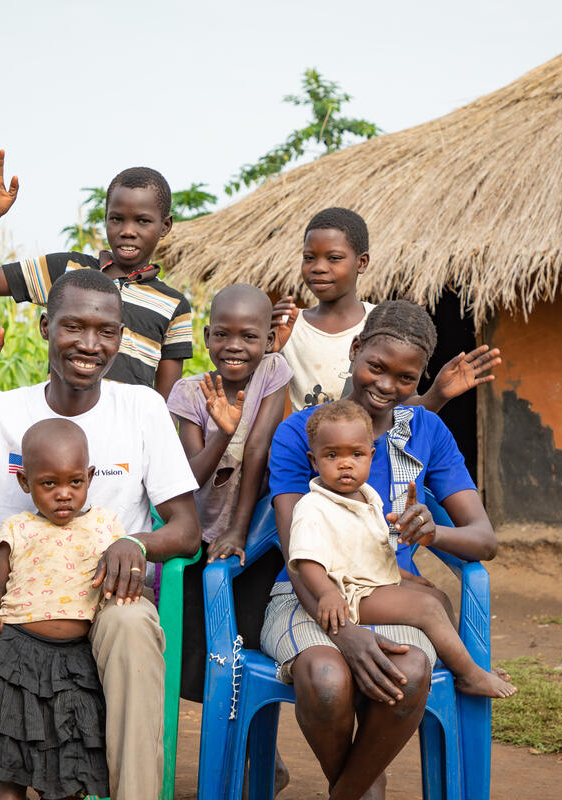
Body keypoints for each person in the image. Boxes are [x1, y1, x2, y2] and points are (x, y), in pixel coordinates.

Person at [0, 269, 200, 800]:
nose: (90, 344)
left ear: (121, 337)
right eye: (73, 326)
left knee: (132, 633)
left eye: (106, 331)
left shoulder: (141, 410)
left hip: (107, 593)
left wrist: (134, 543)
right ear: (46, 326)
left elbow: (187, 530)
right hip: (15, 599)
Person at [260, 300, 502, 800]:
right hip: (311, 595)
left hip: (387, 591)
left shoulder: (426, 431)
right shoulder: (301, 432)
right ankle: (364, 787)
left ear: (420, 379)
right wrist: (345, 633)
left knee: (409, 670)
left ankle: (348, 791)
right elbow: (295, 552)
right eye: (376, 367)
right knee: (326, 678)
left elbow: (484, 539)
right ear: (354, 350)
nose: (387, 386)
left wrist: (433, 531)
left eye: (406, 378)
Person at [0, 418, 123, 800]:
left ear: (89, 477)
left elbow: (122, 574)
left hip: (76, 664)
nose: (64, 494)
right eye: (49, 484)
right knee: (6, 770)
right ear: (25, 482)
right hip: (15, 659)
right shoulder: (18, 529)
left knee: (69, 770)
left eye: (75, 482)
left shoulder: (106, 526)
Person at [289, 399, 516, 699]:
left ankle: (462, 663)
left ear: (371, 456)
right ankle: (470, 675)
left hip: (372, 585)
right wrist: (327, 594)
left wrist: (403, 578)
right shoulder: (312, 506)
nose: (345, 464)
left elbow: (369, 552)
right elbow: (307, 560)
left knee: (438, 597)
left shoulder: (369, 499)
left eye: (356, 454)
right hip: (347, 596)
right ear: (314, 461)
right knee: (427, 608)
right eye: (332, 455)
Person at [0, 143, 192, 398]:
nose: (127, 230)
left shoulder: (174, 305)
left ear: (165, 225)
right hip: (61, 423)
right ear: (106, 218)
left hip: (126, 435)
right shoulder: (67, 270)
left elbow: (164, 403)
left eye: (142, 221)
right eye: (117, 219)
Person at [165, 284, 292, 702]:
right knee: (197, 655)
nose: (233, 346)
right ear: (206, 337)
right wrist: (221, 433)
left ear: (269, 341)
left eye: (249, 336)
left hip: (253, 530)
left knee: (248, 640)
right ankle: (216, 740)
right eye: (222, 334)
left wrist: (238, 531)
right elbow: (191, 477)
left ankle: (258, 748)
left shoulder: (274, 373)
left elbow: (258, 448)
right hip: (200, 531)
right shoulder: (188, 393)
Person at [270, 207, 501, 412]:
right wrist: (267, 348)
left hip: (370, 454)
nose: (319, 267)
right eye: (309, 258)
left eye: (334, 258)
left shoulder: (383, 323)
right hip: (304, 453)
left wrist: (436, 395)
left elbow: (400, 408)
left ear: (362, 262)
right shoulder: (289, 327)